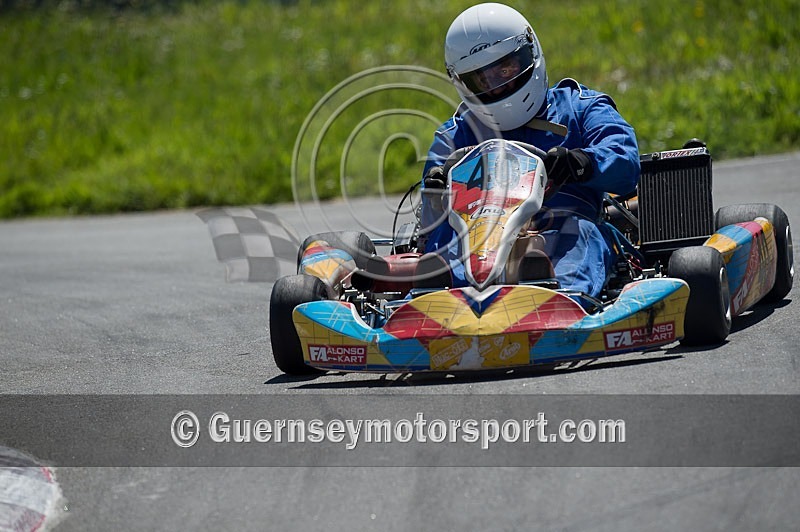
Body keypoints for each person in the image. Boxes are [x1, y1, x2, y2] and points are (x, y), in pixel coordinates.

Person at [420, 2, 640, 300]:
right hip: (480, 239)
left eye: (505, 68)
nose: (497, 85)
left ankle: (560, 296)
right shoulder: (455, 135)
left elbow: (624, 160)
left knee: (579, 233)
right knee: (444, 240)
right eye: (482, 79)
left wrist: (583, 162)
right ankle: (437, 300)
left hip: (562, 225)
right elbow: (429, 218)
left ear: (530, 53)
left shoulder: (580, 108)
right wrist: (437, 187)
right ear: (463, 82)